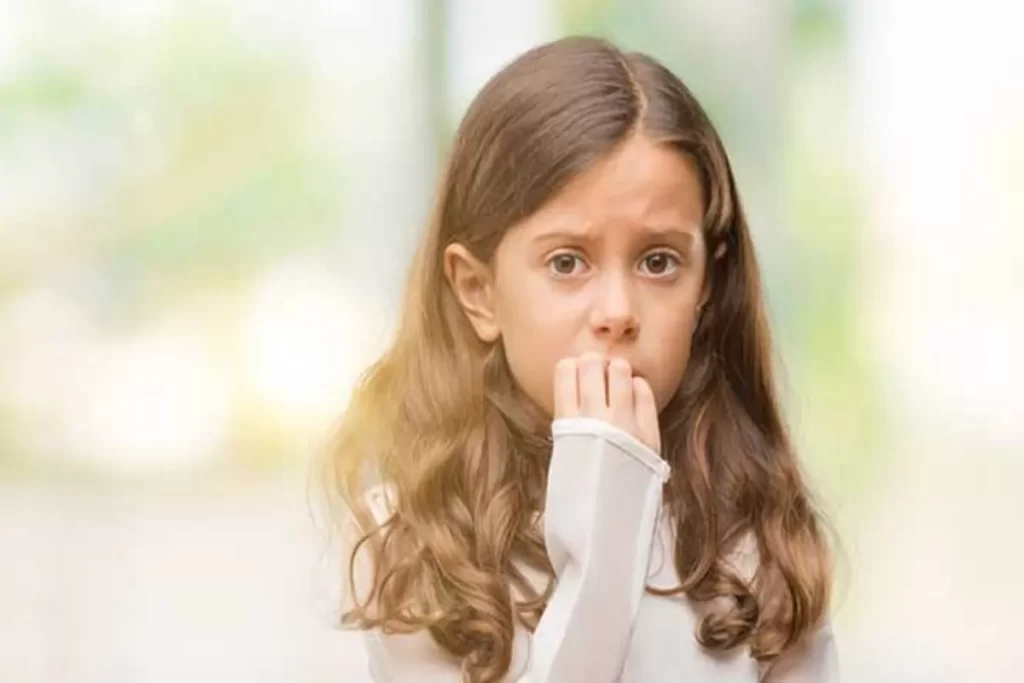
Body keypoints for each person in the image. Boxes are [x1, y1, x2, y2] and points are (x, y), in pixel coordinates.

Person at [323, 35, 838, 683]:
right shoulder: (406, 540)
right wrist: (606, 539)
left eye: (659, 261)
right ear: (479, 291)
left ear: (706, 285)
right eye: (567, 262)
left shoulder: (761, 540)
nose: (617, 310)